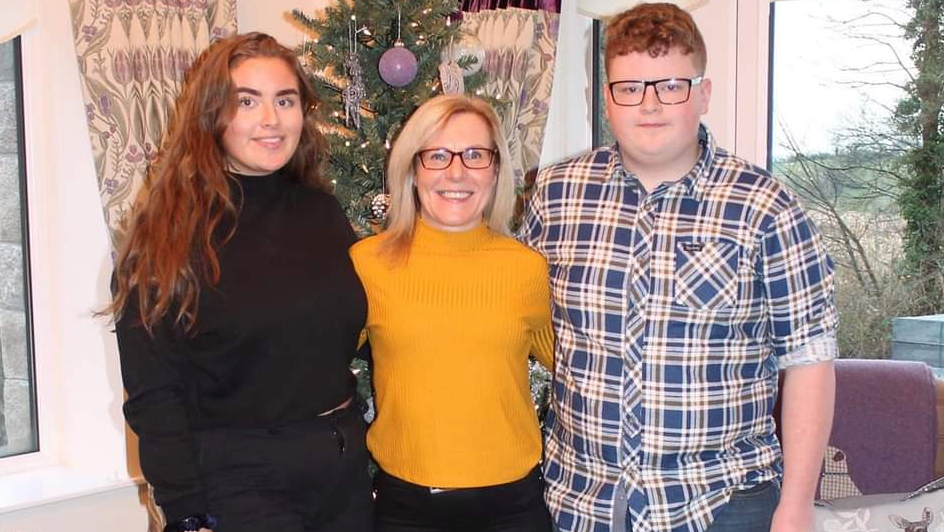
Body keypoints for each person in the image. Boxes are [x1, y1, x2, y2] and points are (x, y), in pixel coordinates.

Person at [519, 4, 838, 532]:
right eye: (630, 87)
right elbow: (523, 322)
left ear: (703, 94)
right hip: (578, 502)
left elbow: (809, 362)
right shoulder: (556, 193)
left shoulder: (766, 208)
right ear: (607, 98)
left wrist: (797, 505)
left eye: (670, 86)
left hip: (722, 503)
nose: (649, 105)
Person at [108, 32, 371, 532]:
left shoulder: (322, 211)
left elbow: (353, 331)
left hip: (343, 466)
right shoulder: (166, 235)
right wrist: (186, 512)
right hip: (239, 481)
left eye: (285, 100)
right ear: (212, 115)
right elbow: (154, 392)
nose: (271, 120)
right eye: (245, 101)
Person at [349, 94, 555, 532]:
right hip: (407, 508)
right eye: (437, 155)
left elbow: (580, 366)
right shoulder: (367, 264)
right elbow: (308, 365)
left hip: (513, 507)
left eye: (475, 155)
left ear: (495, 170)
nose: (456, 172)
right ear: (413, 169)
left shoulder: (526, 268)